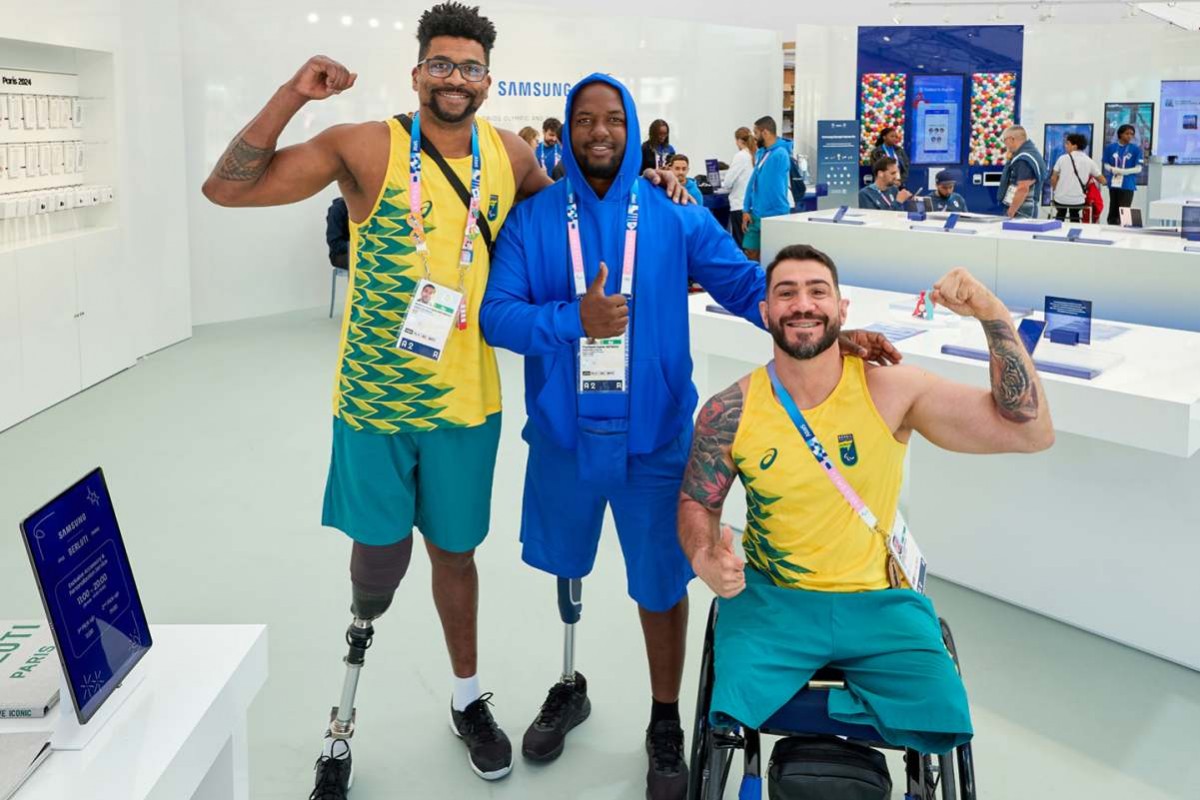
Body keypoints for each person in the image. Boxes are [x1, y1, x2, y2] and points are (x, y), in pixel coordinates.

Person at [199, 5, 685, 798]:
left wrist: (654, 204)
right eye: (442, 64)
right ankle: (343, 714)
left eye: (470, 68)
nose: (455, 80)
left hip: (466, 405)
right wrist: (295, 93)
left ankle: (467, 699)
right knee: (378, 567)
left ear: (488, 81)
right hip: (373, 405)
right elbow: (227, 188)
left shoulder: (510, 155)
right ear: (417, 70)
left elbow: (577, 220)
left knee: (455, 560)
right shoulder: (365, 145)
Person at [479, 75, 900, 800]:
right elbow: (496, 317)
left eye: (614, 119)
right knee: (567, 564)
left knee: (659, 586)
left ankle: (665, 718)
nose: (600, 132)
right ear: (568, 131)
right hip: (563, 441)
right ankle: (569, 682)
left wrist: (822, 331)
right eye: (585, 120)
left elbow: (743, 287)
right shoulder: (534, 220)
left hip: (654, 443)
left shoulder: (675, 217)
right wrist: (572, 319)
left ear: (635, 127)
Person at [678, 244, 1054, 759]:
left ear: (842, 308)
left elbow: (1029, 431)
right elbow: (697, 502)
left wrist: (992, 314)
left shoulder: (890, 390)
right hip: (773, 601)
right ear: (765, 312)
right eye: (785, 293)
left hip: (880, 602)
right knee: (726, 711)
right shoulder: (729, 410)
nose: (803, 304)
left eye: (818, 291)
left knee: (945, 712)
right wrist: (704, 558)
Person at [742, 115, 792, 261]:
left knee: (773, 257)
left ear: (765, 132)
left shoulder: (780, 154)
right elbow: (753, 181)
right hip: (756, 213)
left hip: (775, 214)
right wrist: (746, 208)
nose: (754, 137)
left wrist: (779, 216)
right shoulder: (760, 153)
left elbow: (774, 188)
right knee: (750, 251)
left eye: (756, 133)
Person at [715, 126, 755, 248]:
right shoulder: (755, 155)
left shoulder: (741, 156)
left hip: (739, 206)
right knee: (751, 245)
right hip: (752, 206)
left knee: (741, 244)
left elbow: (727, 182)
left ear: (738, 141)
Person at [1051, 133, 1104, 223]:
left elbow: (1053, 178)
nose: (1065, 146)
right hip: (1078, 200)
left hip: (1060, 199)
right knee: (1075, 212)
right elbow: (1102, 180)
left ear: (1075, 146)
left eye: (1067, 143)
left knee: (1060, 211)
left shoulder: (1062, 159)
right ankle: (1075, 230)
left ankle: (1057, 227)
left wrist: (1056, 190)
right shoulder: (1089, 161)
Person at [997, 125, 1046, 219]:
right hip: (1023, 209)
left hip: (1021, 211)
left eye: (1004, 140)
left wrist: (1010, 212)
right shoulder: (1031, 153)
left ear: (1012, 139)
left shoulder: (1023, 160)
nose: (1005, 144)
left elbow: (1023, 189)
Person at [1103, 123, 1142, 226]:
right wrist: (1112, 169)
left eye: (1132, 134)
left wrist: (1123, 171)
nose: (1130, 136)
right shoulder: (1110, 147)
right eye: (1127, 133)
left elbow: (1139, 168)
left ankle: (1125, 229)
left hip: (1127, 184)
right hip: (1114, 182)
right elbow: (1105, 164)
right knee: (1113, 208)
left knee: (1124, 209)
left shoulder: (1136, 149)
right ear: (1120, 134)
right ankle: (1111, 227)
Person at [326, 196, 350, 268]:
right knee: (366, 261)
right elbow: (334, 243)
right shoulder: (337, 209)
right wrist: (354, 246)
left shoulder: (366, 207)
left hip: (360, 251)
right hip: (340, 254)